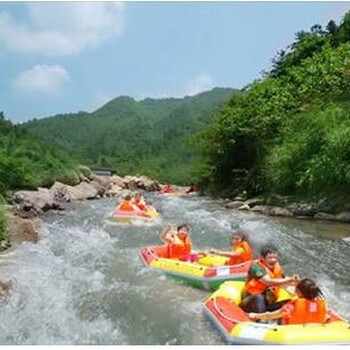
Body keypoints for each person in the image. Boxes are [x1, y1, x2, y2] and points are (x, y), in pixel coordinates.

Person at [240, 245, 299, 314]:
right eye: (270, 258)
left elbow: (283, 280)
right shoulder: (256, 267)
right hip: (250, 301)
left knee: (290, 302)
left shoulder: (277, 268)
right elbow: (268, 282)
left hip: (268, 304)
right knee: (259, 298)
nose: (273, 260)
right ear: (262, 258)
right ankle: (262, 320)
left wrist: (295, 282)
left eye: (275, 257)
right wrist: (289, 280)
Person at [248, 278, 328, 325]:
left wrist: (254, 315)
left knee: (272, 321)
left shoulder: (293, 306)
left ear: (299, 292)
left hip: (289, 334)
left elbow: (270, 316)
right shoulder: (321, 305)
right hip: (309, 335)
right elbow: (326, 318)